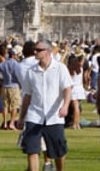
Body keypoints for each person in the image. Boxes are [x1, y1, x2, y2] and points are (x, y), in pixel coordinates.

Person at [18, 41, 72, 171]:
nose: (35, 52)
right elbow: (27, 96)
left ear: (47, 51)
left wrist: (65, 106)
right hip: (34, 116)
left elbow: (67, 89)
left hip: (54, 117)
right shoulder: (31, 71)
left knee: (58, 151)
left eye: (38, 50)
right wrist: (21, 117)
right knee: (32, 150)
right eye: (34, 50)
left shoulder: (60, 68)